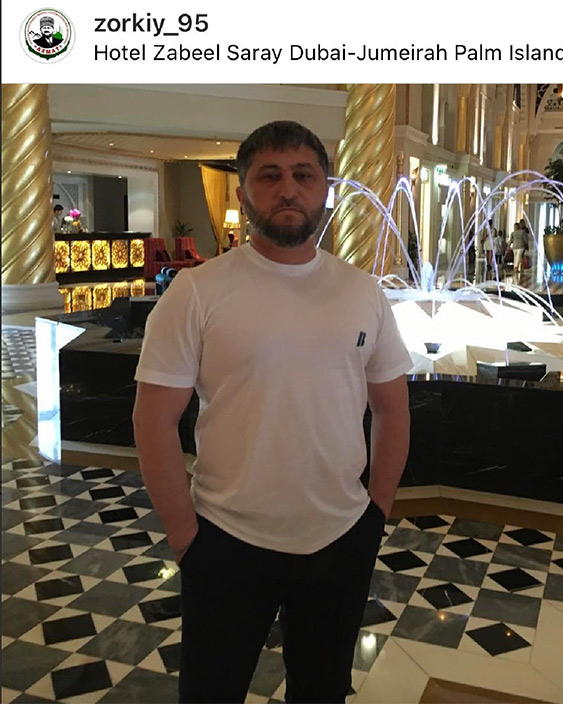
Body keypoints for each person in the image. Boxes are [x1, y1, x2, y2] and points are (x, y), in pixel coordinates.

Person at [133, 120, 412, 704]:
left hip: (340, 539)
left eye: (304, 175)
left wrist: (375, 517)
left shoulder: (363, 292)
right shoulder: (197, 292)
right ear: (243, 193)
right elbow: (153, 420)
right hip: (226, 540)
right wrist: (186, 539)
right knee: (212, 693)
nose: (289, 189)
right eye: (270, 176)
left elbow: (392, 408)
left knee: (322, 692)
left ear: (325, 189)